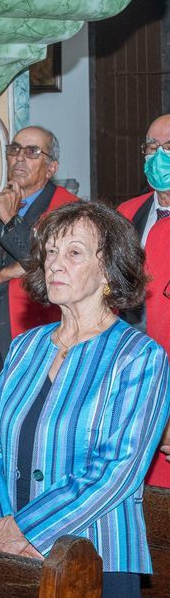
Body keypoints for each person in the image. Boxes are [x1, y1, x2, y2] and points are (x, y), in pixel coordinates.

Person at [0, 201, 170, 598]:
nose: (56, 263)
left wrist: (27, 528)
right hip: (11, 556)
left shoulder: (138, 357)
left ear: (109, 269)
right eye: (51, 251)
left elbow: (118, 469)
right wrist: (2, 527)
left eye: (75, 253)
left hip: (94, 559)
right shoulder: (26, 347)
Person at [0, 126, 77, 395]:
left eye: (32, 152)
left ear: (51, 168)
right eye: (14, 149)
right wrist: (6, 273)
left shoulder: (69, 210)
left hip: (42, 338)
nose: (20, 157)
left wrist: (12, 221)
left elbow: (50, 269)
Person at [117, 115, 170, 485]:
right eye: (152, 146)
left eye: (169, 147)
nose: (158, 155)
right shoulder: (126, 214)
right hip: (134, 380)